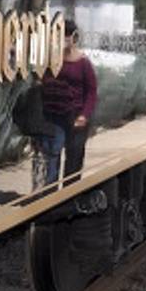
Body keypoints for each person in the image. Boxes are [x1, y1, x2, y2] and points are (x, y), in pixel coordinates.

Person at [41, 20, 97, 184]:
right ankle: (50, 192)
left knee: (74, 157)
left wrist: (84, 115)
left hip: (75, 114)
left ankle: (70, 192)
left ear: (74, 37)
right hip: (54, 114)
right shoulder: (53, 60)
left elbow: (92, 91)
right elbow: (43, 81)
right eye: (60, 35)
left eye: (66, 34)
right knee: (53, 154)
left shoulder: (83, 63)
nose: (63, 38)